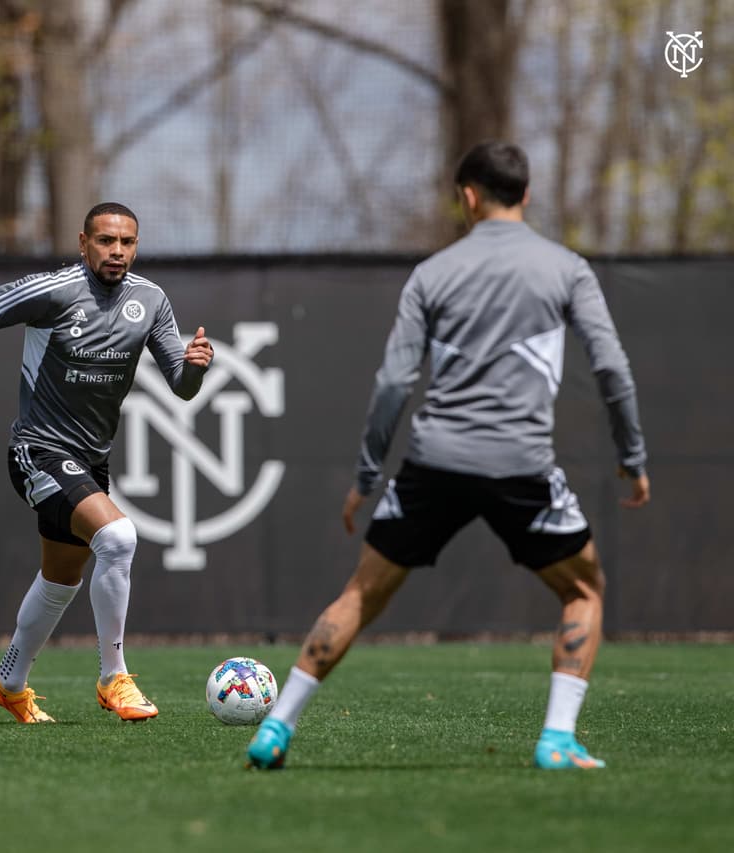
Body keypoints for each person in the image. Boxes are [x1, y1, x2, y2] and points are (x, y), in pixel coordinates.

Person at [246, 141, 649, 771]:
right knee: (584, 590)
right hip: (521, 467)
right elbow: (612, 369)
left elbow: (392, 385)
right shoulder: (566, 269)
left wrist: (366, 476)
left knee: (359, 596)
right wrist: (632, 455)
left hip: (434, 464)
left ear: (467, 196)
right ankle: (557, 738)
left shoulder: (432, 273)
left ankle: (276, 726)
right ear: (527, 193)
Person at [0, 202, 213, 723]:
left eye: (126, 242)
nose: (117, 252)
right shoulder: (54, 291)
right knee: (119, 538)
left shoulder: (150, 300)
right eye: (105, 241)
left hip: (90, 461)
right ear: (83, 243)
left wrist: (194, 367)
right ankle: (114, 678)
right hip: (37, 450)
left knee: (61, 579)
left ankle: (8, 680)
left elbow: (182, 386)